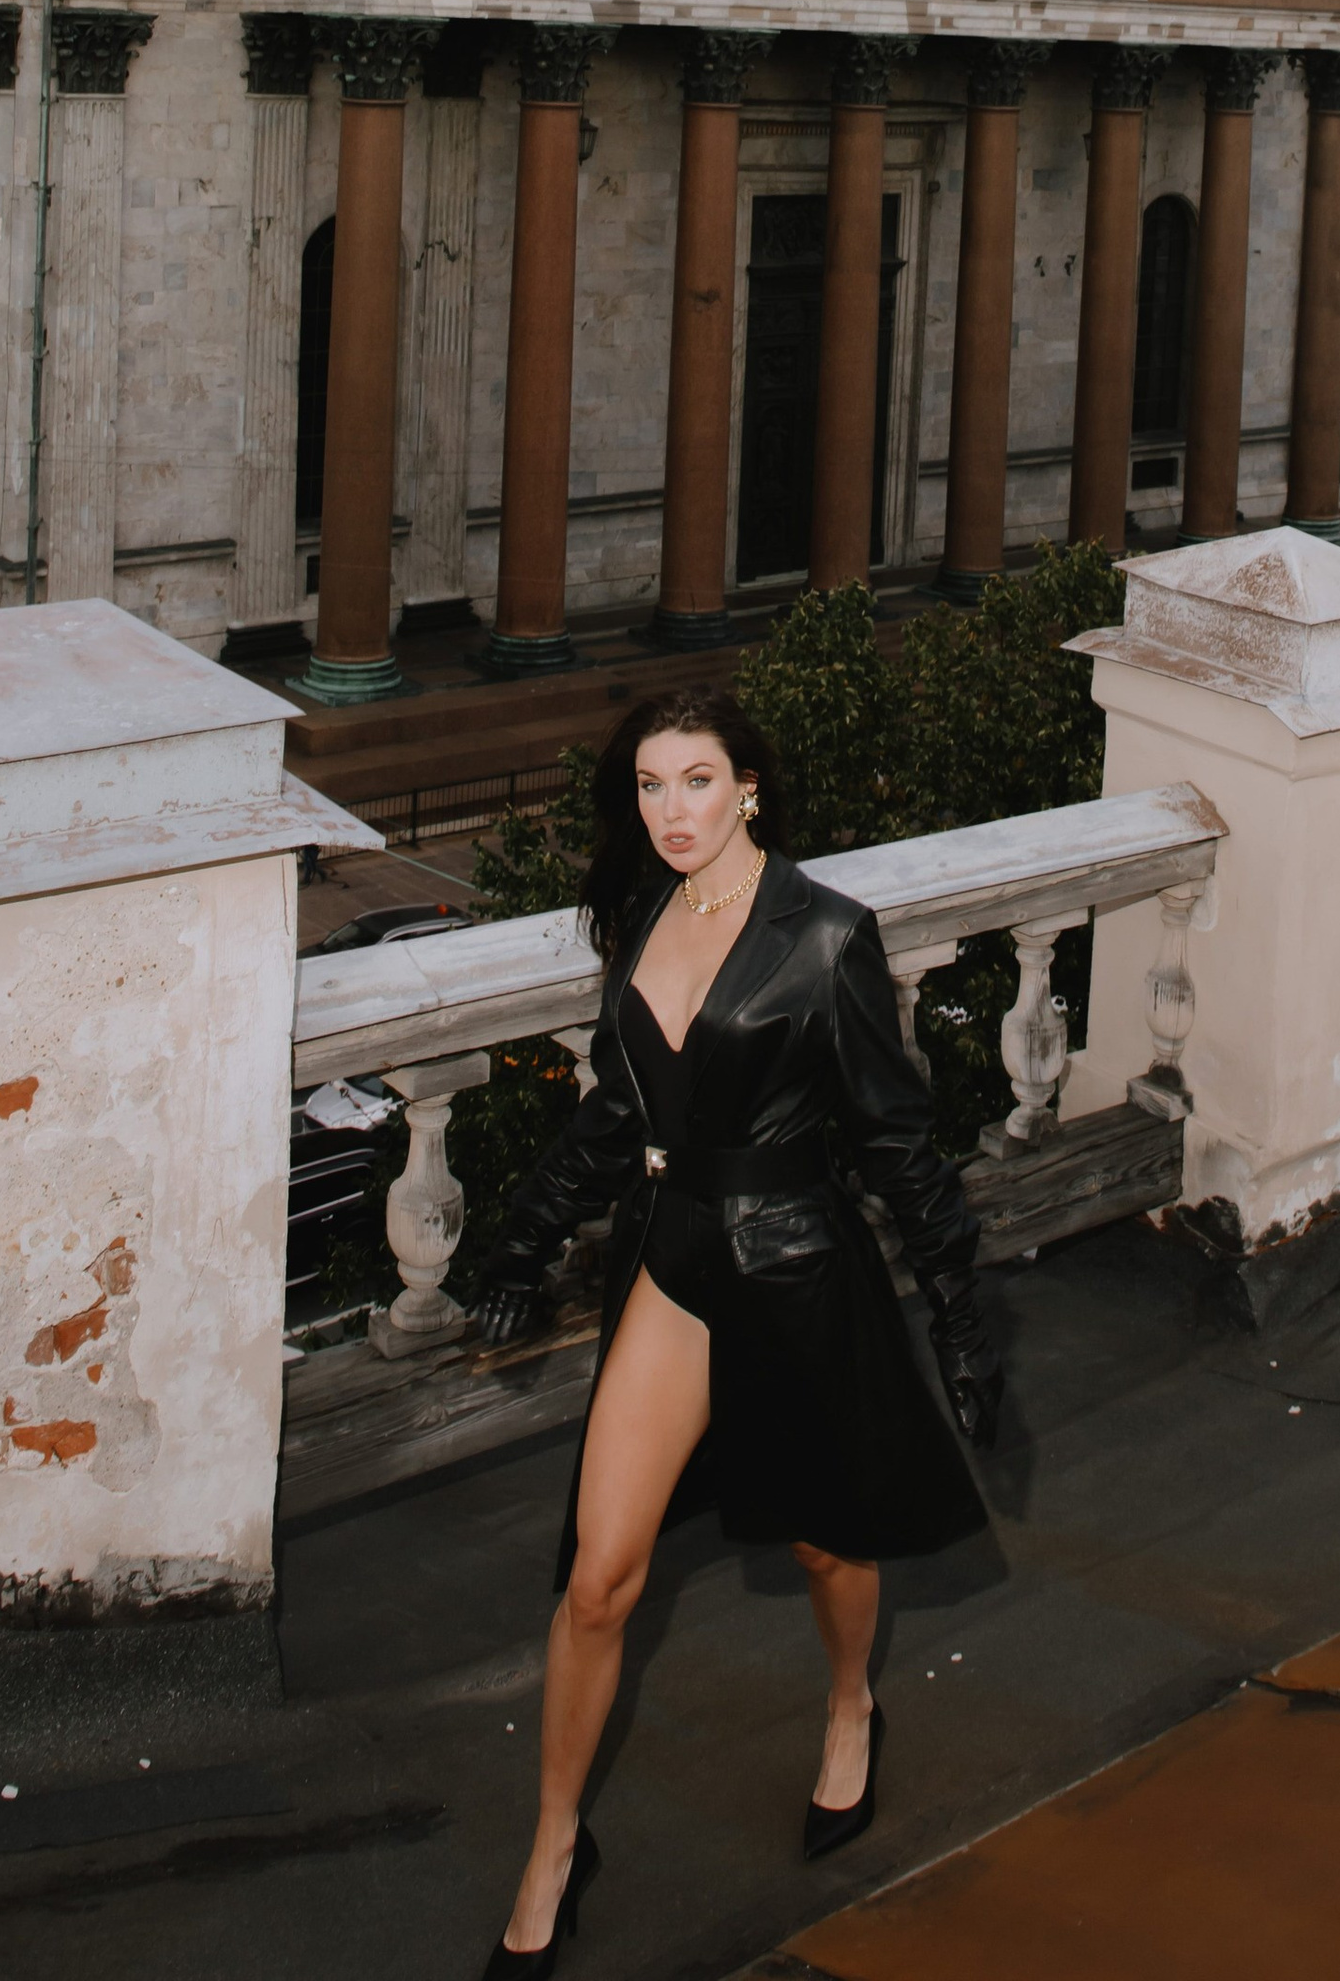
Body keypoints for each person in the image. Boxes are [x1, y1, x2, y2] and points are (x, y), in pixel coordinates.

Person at [464, 695, 1000, 1974]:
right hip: (670, 1256)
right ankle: (551, 1845)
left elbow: (895, 1140)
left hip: (795, 1266)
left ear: (748, 786)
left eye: (696, 782)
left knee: (826, 1547)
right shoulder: (642, 910)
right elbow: (618, 1109)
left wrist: (962, 1320)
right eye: (649, 786)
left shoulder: (825, 939)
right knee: (598, 1580)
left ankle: (851, 1705)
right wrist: (528, 1235)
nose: (670, 811)